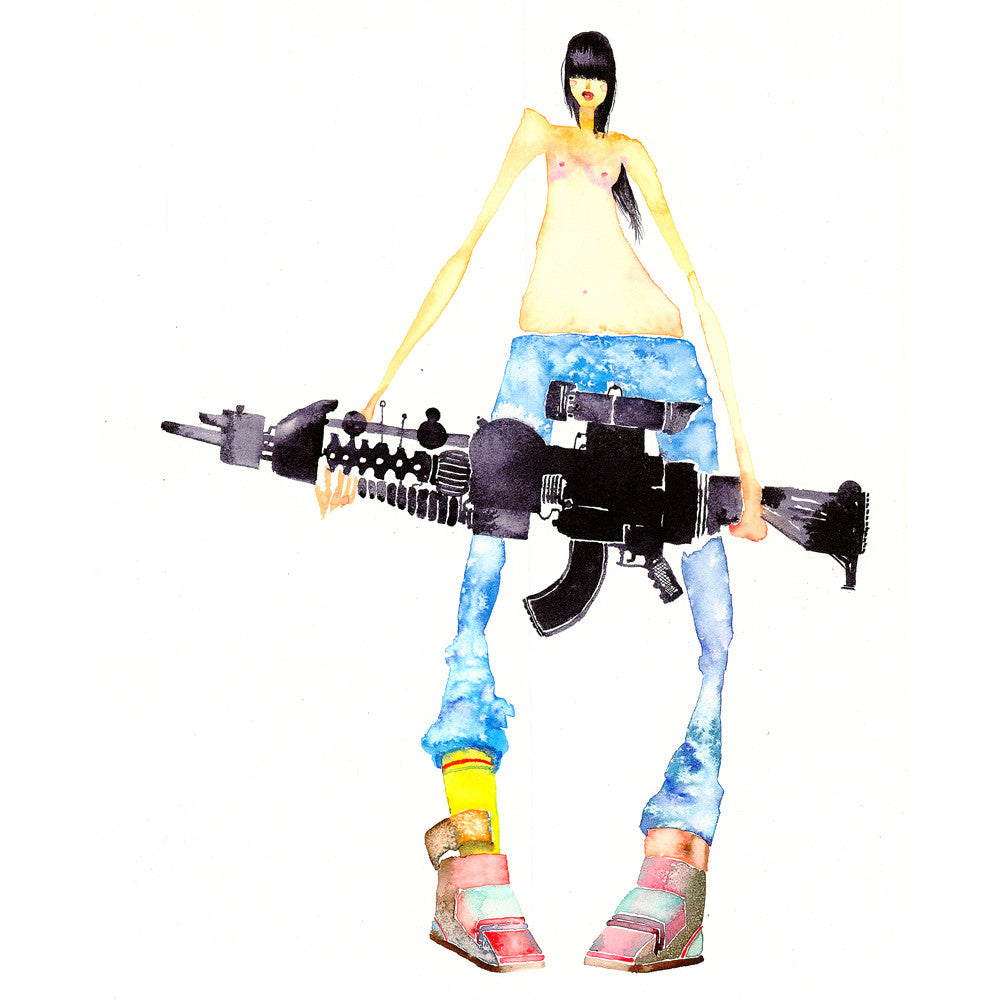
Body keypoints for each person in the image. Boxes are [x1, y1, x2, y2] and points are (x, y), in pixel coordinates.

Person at [332, 30, 767, 973]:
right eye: (578, 73)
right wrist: (373, 399)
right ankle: (470, 853)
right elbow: (464, 251)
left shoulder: (631, 154)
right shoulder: (539, 135)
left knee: (710, 597)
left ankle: (681, 860)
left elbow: (695, 285)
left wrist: (752, 463)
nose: (585, 88)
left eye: (598, 75)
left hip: (662, 361)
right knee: (481, 565)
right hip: (544, 355)